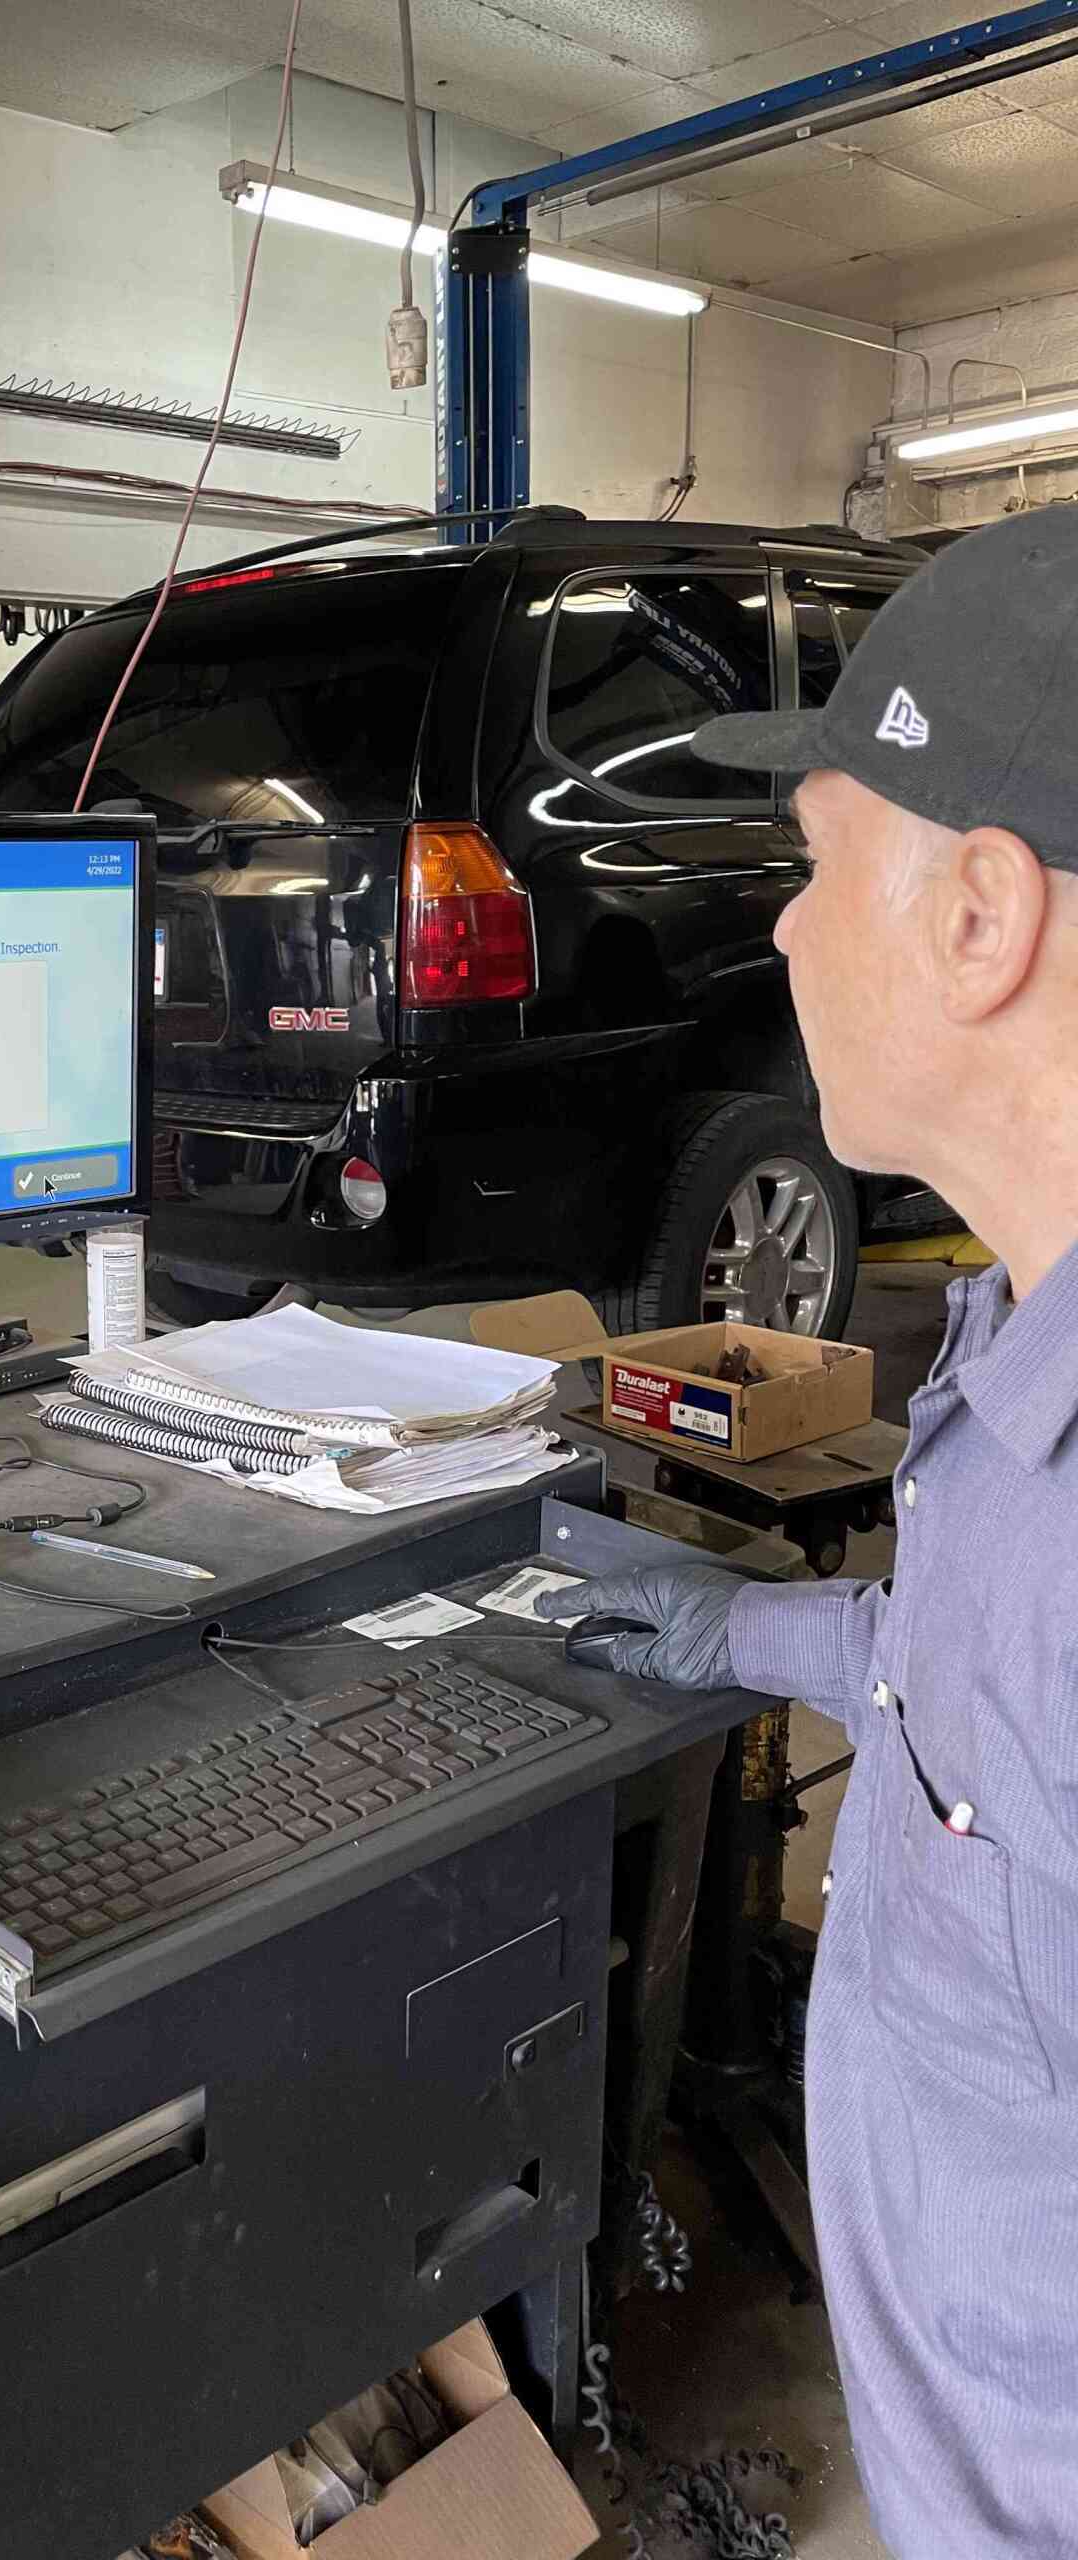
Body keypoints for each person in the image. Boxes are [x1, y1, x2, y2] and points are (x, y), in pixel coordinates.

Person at [538, 509, 1078, 2557]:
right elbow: (984, 1701)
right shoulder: (1025, 1319)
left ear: (980, 916)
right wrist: (734, 1634)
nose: (777, 934)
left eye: (815, 864)